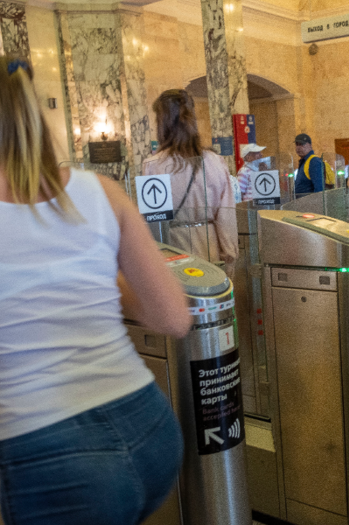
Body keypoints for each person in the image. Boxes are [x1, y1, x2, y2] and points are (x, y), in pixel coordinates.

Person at [0, 56, 192, 524]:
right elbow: (173, 318)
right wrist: (84, 277)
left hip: (49, 456)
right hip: (150, 431)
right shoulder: (101, 191)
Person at [144, 89, 238, 267]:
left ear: (161, 123)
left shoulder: (152, 165)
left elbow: (153, 223)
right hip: (210, 250)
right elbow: (226, 217)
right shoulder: (215, 162)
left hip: (171, 252)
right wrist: (229, 256)